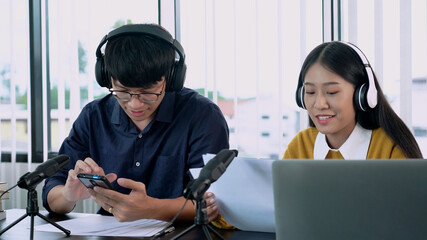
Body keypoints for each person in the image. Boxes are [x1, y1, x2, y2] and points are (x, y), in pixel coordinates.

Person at [42, 23, 229, 223]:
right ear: (107, 77)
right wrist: (67, 196)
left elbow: (212, 203)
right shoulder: (94, 116)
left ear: (172, 78)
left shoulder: (202, 116)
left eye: (148, 92)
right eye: (122, 91)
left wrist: (151, 209)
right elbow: (52, 191)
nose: (135, 104)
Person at [284, 41, 423, 159]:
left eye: (332, 92)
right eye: (310, 92)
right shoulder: (300, 146)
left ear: (363, 95)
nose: (320, 104)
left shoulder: (390, 148)